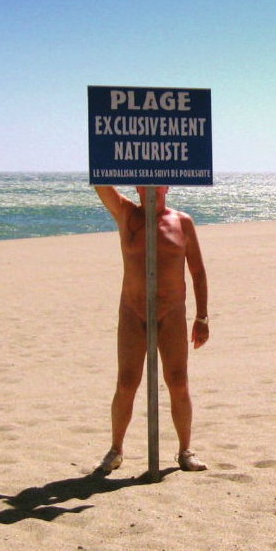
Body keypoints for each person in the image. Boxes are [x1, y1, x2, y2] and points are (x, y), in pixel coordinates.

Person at [93, 185, 209, 474]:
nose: (151, 189)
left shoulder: (182, 221)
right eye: (145, 184)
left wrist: (202, 316)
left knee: (178, 381)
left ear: (167, 186)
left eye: (157, 183)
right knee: (126, 383)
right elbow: (101, 183)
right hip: (133, 311)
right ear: (137, 187)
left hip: (171, 312)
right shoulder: (126, 214)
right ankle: (115, 450)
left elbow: (197, 271)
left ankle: (185, 450)